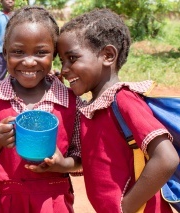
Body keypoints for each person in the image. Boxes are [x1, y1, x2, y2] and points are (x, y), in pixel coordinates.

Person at [57, 8, 178, 213]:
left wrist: (125, 208)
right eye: (61, 61)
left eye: (72, 58)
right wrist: (61, 165)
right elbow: (100, 164)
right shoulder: (93, 108)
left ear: (108, 55)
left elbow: (167, 158)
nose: (64, 69)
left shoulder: (123, 100)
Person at [0, 6, 82, 213]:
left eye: (41, 52)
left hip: (55, 203)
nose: (29, 62)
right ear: (5, 53)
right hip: (10, 203)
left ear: (54, 55)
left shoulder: (70, 100)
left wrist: (62, 165)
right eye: (18, 52)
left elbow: (81, 157)